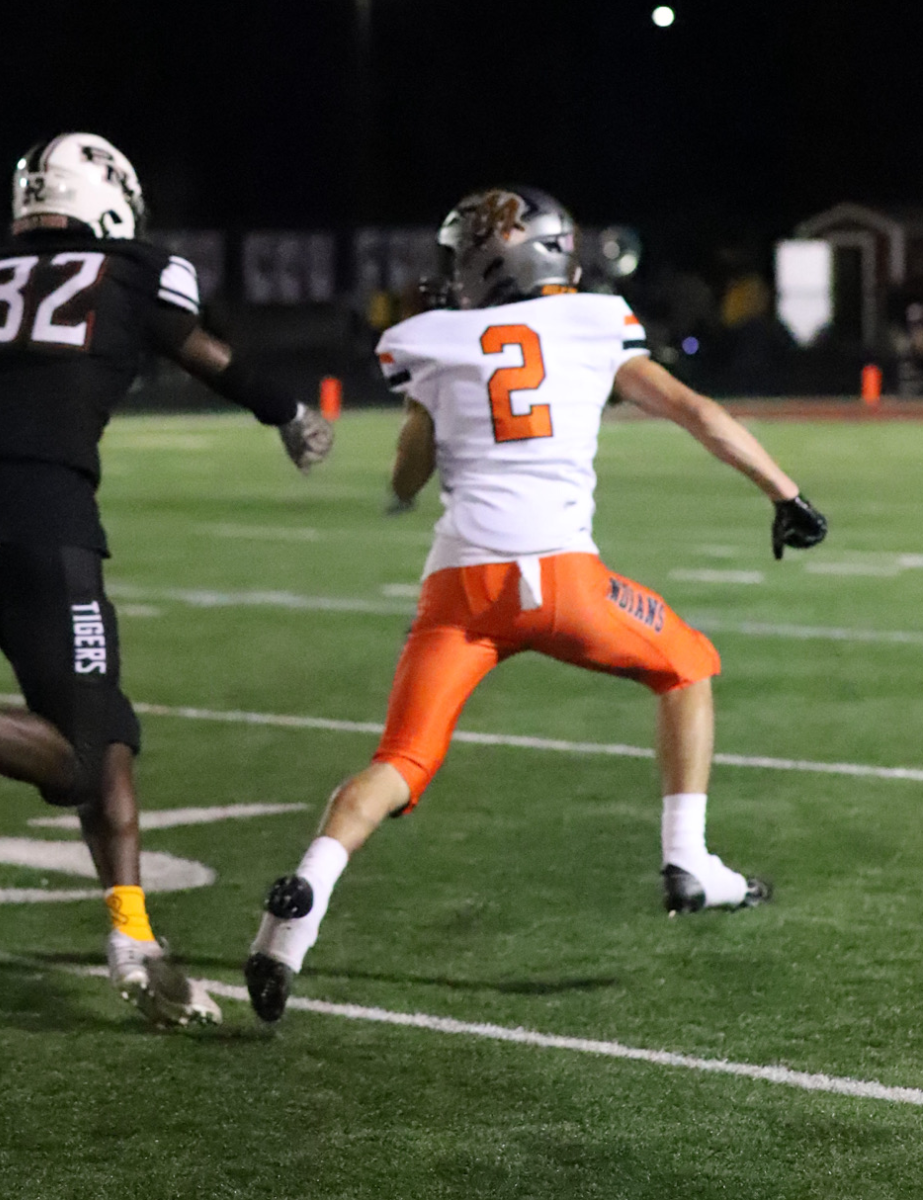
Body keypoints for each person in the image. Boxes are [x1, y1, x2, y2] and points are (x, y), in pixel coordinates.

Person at [245, 187, 827, 1023]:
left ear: (491, 263)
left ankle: (294, 911)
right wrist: (785, 493)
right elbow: (693, 412)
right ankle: (688, 859)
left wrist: (420, 441)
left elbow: (409, 474)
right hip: (562, 583)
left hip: (460, 590)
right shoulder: (595, 322)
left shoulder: (433, 342)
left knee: (402, 762)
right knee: (688, 664)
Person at [0, 133, 333, 1027]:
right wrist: (289, 412)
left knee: (103, 728)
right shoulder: (128, 271)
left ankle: (133, 940)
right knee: (82, 754)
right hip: (47, 521)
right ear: (110, 195)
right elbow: (209, 355)